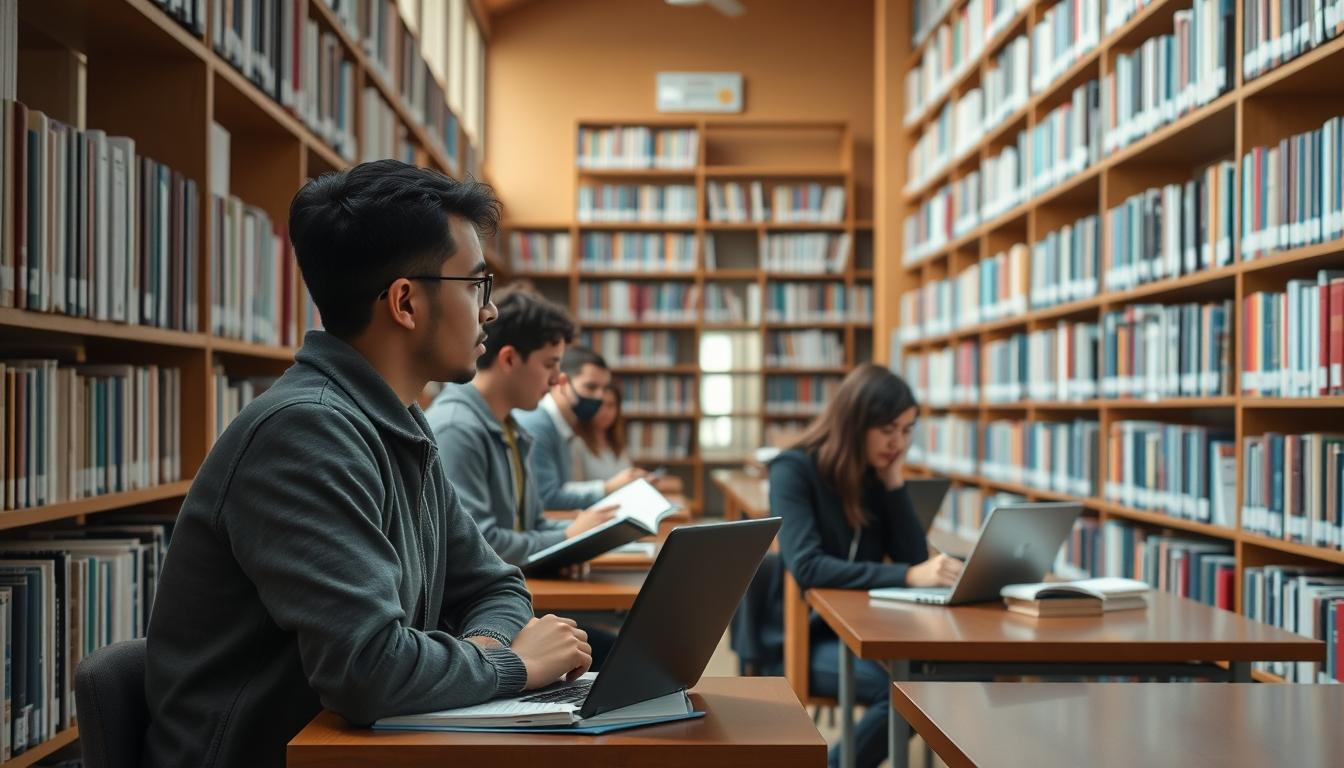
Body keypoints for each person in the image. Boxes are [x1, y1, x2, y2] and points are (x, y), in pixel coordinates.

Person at [143, 160, 593, 768]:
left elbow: (494, 583)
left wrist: (484, 651)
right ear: (406, 301)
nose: (489, 311)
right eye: (475, 286)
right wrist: (512, 663)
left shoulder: (397, 424)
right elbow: (368, 670)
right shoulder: (306, 432)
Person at [771, 364, 963, 768]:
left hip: (868, 628)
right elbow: (807, 566)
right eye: (888, 429)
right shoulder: (793, 470)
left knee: (947, 675)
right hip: (808, 634)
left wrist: (894, 482)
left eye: (908, 430)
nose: (898, 442)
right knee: (905, 693)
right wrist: (910, 576)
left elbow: (913, 555)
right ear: (855, 424)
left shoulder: (875, 475)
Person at [424, 288, 617, 564]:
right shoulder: (457, 429)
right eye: (549, 365)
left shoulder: (510, 427)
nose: (556, 380)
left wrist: (577, 537)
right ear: (509, 359)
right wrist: (566, 538)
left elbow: (529, 525)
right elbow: (480, 545)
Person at [514, 347, 645, 509]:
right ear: (562, 383)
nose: (599, 397)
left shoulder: (560, 426)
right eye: (591, 387)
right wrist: (608, 488)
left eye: (604, 389)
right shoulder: (537, 425)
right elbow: (546, 499)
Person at [573, 384, 683, 493]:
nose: (604, 411)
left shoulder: (618, 444)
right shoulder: (576, 443)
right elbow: (573, 491)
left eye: (611, 405)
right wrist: (612, 485)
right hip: (595, 508)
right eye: (599, 404)